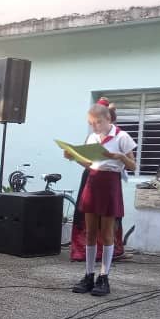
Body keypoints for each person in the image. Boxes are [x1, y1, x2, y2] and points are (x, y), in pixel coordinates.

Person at [65, 102, 136, 296]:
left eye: (98, 122)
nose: (95, 126)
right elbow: (89, 164)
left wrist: (120, 156)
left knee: (106, 234)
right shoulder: (92, 137)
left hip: (110, 183)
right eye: (91, 123)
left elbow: (133, 165)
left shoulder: (122, 136)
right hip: (93, 182)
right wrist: (73, 157)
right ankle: (89, 274)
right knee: (90, 232)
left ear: (109, 119)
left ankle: (104, 276)